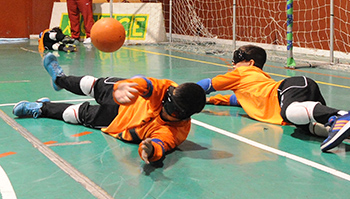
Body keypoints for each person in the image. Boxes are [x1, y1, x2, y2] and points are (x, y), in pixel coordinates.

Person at [197, 44, 350, 152]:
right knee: (317, 128)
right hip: (295, 95)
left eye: (238, 60)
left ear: (250, 63)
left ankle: (340, 115)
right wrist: (209, 101)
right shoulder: (250, 86)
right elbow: (238, 100)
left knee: (293, 112)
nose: (234, 64)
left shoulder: (240, 73)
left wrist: (181, 93)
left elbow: (207, 85)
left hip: (291, 88)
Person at [13, 53, 206, 164]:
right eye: (165, 100)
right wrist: (128, 86)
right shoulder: (167, 90)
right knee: (93, 84)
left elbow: (159, 145)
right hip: (128, 96)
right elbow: (147, 84)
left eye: (169, 110)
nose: (163, 105)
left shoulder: (176, 131)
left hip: (117, 122)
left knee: (75, 115)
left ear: (181, 115)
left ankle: (41, 108)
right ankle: (60, 79)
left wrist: (148, 149)